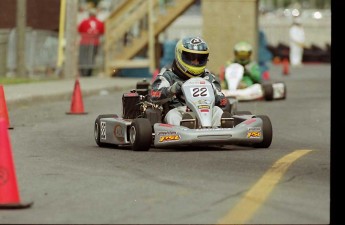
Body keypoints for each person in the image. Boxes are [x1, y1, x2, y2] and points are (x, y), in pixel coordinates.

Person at [150, 36, 229, 127]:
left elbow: (223, 102)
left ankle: (219, 134)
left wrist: (216, 94)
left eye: (200, 59)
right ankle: (182, 132)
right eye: (191, 58)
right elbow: (153, 95)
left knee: (218, 111)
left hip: (206, 112)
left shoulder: (208, 77)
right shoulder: (168, 75)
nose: (195, 62)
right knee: (173, 115)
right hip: (179, 111)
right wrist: (171, 90)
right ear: (179, 55)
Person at [78, 8, 105, 77]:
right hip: (94, 42)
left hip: (84, 42)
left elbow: (79, 30)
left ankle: (83, 71)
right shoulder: (100, 23)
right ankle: (89, 71)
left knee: (83, 57)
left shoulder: (84, 22)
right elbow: (102, 32)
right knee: (92, 57)